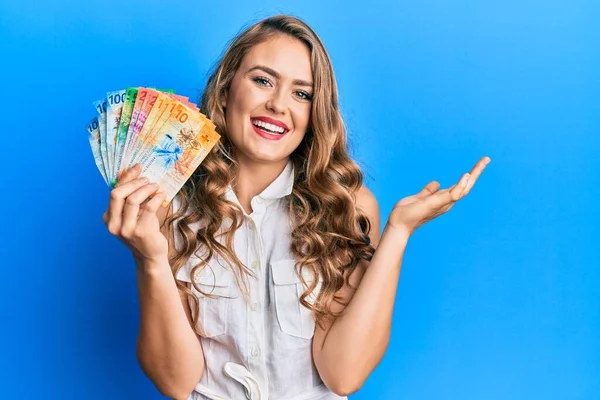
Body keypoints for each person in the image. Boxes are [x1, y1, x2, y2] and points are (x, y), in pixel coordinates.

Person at [102, 14, 490, 400]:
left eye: (301, 93)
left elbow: (343, 375)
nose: (277, 105)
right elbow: (176, 382)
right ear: (225, 90)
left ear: (313, 113)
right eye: (262, 80)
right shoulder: (170, 207)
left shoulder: (346, 208)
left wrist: (398, 233)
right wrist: (149, 259)